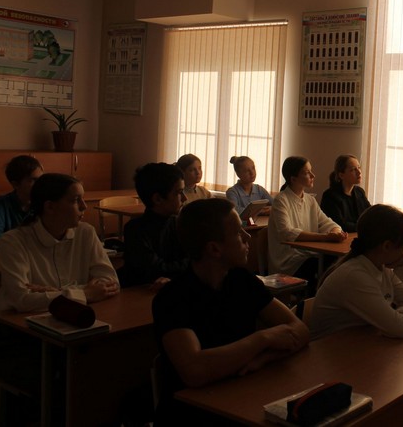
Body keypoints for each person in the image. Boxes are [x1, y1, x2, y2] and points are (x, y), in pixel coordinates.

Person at [152, 198, 309, 425]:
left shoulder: (242, 280)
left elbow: (300, 330)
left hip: (242, 395)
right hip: (193, 413)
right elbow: (195, 371)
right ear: (214, 249)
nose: (247, 237)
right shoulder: (173, 298)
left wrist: (263, 358)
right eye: (238, 233)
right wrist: (263, 339)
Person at [0, 173, 119, 312]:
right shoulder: (13, 241)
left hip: (71, 315)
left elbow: (111, 283)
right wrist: (85, 293)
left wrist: (57, 292)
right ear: (50, 207)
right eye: (75, 200)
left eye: (83, 199)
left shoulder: (86, 232)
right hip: (18, 321)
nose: (84, 206)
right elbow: (21, 299)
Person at [309, 204, 403, 339]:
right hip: (329, 348)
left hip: (356, 344)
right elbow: (400, 328)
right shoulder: (355, 276)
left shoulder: (382, 268)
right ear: (387, 246)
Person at [267, 156, 346, 286]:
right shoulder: (281, 200)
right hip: (289, 260)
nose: (313, 175)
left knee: (336, 262)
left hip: (308, 254)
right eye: (307, 173)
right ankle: (314, 297)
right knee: (324, 267)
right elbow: (287, 233)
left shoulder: (310, 200)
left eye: (311, 171)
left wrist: (336, 232)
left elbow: (327, 222)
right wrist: (325, 237)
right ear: (293, 179)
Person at [121, 163, 187, 287]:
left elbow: (197, 262)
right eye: (179, 192)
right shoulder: (135, 230)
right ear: (157, 199)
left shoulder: (180, 224)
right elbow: (154, 270)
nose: (185, 198)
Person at [320, 154, 371, 232]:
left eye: (359, 167)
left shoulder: (360, 192)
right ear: (341, 175)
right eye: (353, 169)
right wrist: (366, 227)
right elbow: (339, 224)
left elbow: (370, 215)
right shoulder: (330, 196)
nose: (359, 172)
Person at [0, 155, 43, 239]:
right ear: (15, 184)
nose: (40, 184)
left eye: (41, 179)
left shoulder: (47, 204)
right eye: (33, 180)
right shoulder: (1, 206)